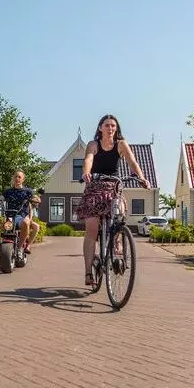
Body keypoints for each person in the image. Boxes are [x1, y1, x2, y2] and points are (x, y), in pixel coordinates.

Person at [75, 114, 150, 286]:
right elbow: (88, 159)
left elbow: (133, 162)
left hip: (114, 187)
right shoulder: (93, 144)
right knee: (92, 228)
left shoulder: (121, 144)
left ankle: (118, 245)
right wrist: (86, 172)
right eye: (107, 125)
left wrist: (142, 177)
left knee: (119, 213)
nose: (110, 128)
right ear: (100, 128)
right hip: (95, 187)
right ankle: (88, 273)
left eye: (113, 126)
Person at [1, 170, 41, 255]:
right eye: (15, 176)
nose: (17, 178)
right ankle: (2, 247)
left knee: (27, 223)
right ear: (13, 178)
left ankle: (20, 248)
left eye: (19, 177)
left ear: (23, 179)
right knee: (2, 226)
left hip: (22, 216)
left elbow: (37, 199)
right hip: (10, 216)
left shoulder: (28, 191)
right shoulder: (8, 191)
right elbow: (1, 197)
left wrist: (36, 199)